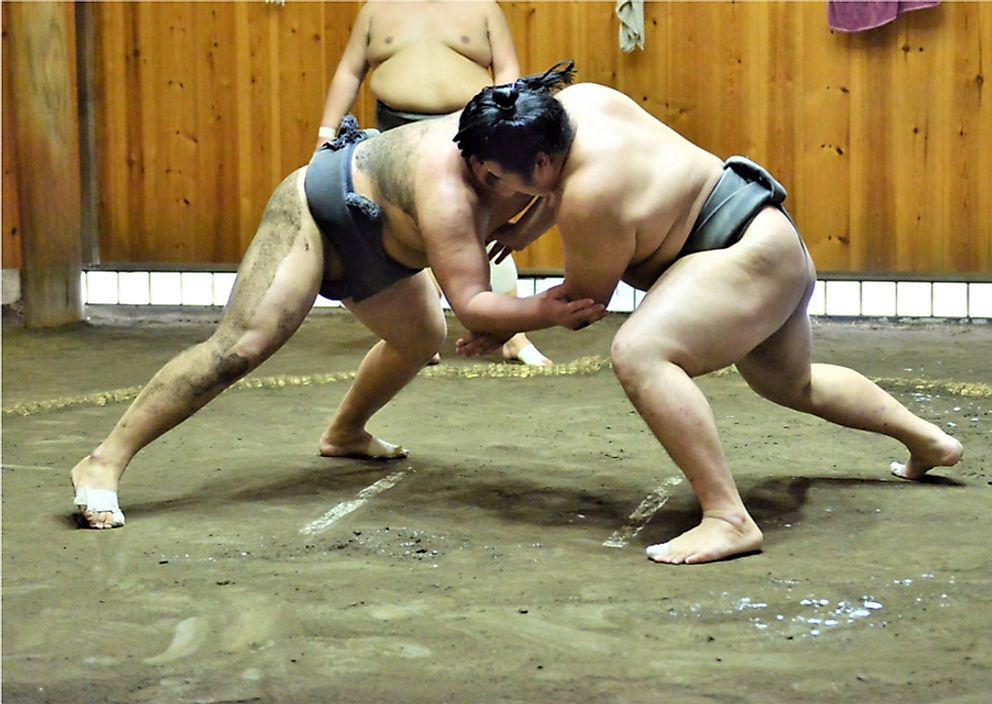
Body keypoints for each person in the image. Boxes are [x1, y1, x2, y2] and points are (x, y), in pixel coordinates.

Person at [452, 62, 965, 565]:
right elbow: (562, 180)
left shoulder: (588, 198)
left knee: (640, 353)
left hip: (741, 259)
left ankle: (729, 518)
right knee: (792, 384)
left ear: (538, 162)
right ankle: (929, 441)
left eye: (498, 177)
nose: (497, 191)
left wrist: (500, 322)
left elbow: (580, 305)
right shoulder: (581, 103)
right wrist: (523, 231)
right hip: (768, 235)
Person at [70, 114, 606, 529]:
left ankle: (345, 434)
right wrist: (542, 312)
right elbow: (470, 303)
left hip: (387, 248)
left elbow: (558, 189)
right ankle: (102, 462)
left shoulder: (555, 139)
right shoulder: (449, 190)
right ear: (487, 168)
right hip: (317, 213)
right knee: (241, 347)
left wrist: (521, 233)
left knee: (421, 337)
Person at [316, 0, 551, 366]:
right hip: (395, 134)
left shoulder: (483, 8)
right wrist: (326, 133)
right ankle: (420, 333)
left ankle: (512, 335)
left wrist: (505, 128)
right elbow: (349, 71)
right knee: (404, 232)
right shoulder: (376, 10)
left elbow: (507, 71)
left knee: (484, 225)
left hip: (467, 131)